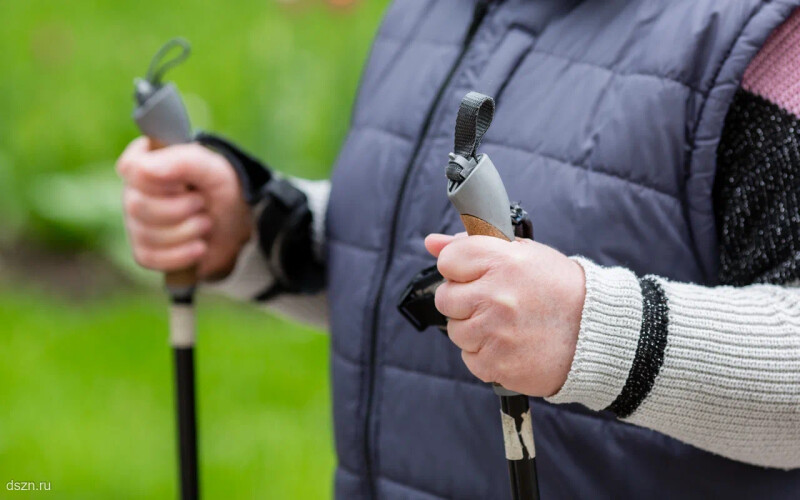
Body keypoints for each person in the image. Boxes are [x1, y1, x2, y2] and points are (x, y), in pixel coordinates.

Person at [116, 1, 800, 498]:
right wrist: (258, 230)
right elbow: (430, 260)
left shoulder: (765, 35)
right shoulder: (428, 15)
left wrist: (591, 330)